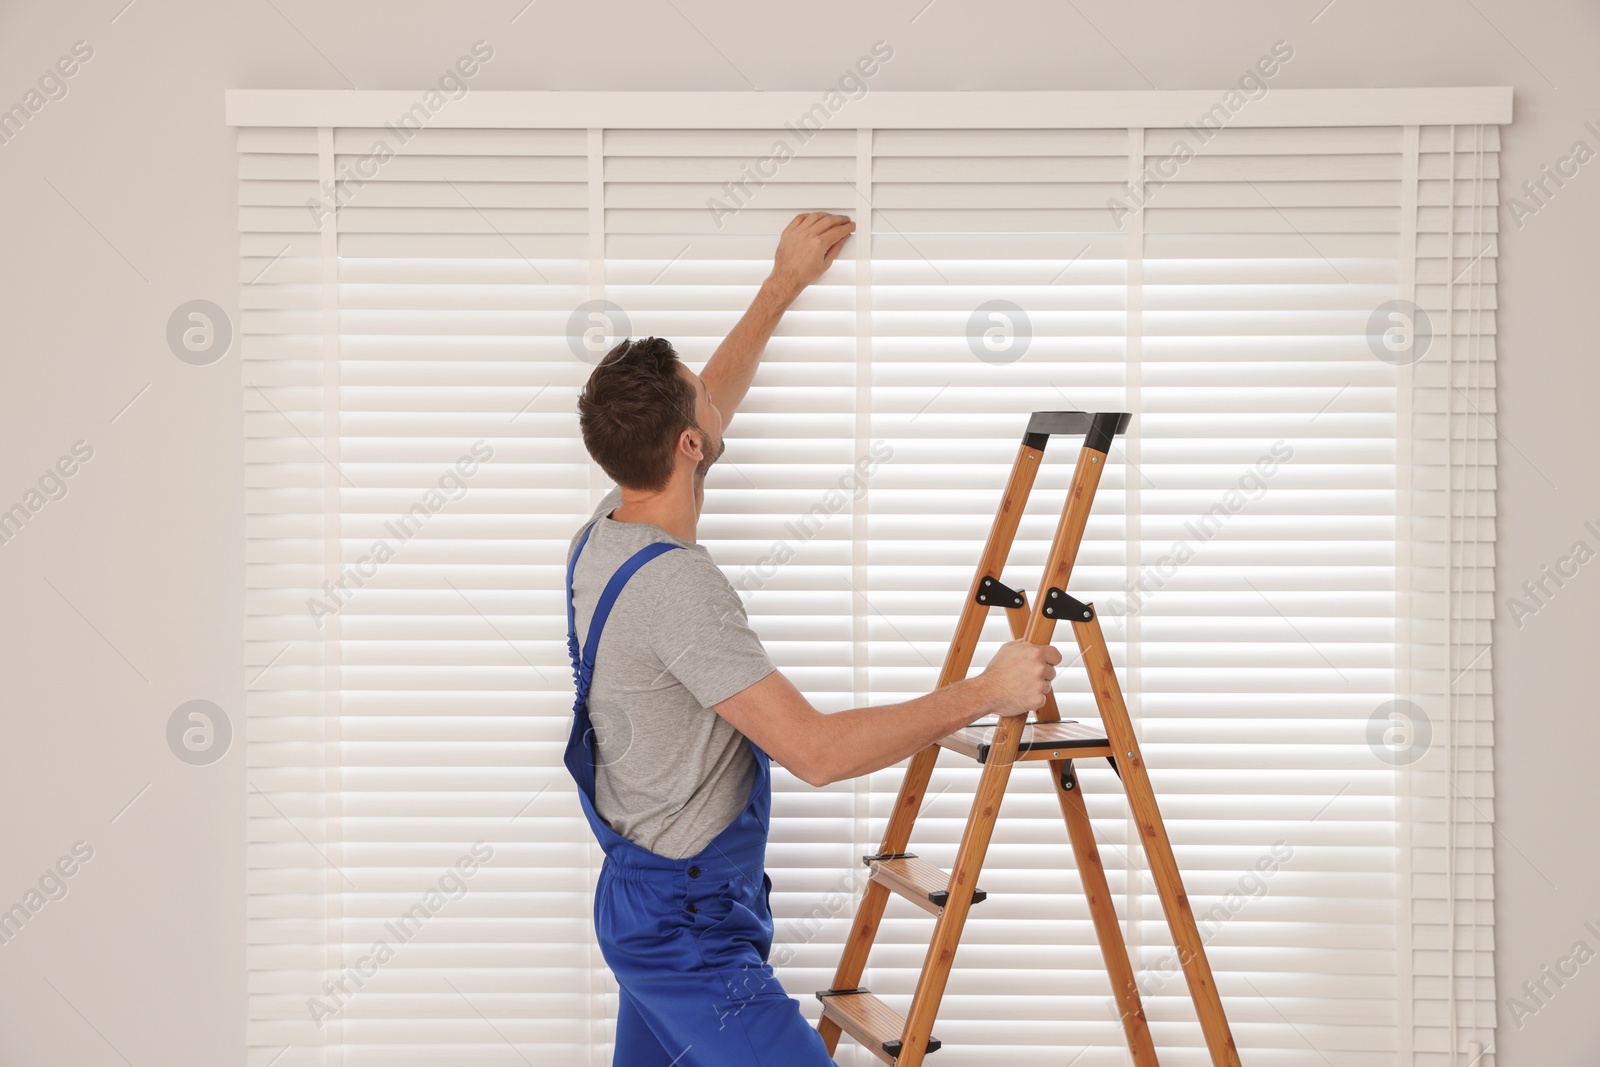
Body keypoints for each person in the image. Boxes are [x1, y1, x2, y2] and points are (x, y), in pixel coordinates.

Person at [564, 211, 1062, 1066]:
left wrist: (781, 286)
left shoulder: (605, 529)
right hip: (687, 929)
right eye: (703, 403)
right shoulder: (678, 588)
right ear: (689, 444)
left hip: (643, 898)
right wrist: (988, 690)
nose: (717, 399)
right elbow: (817, 751)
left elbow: (706, 395)